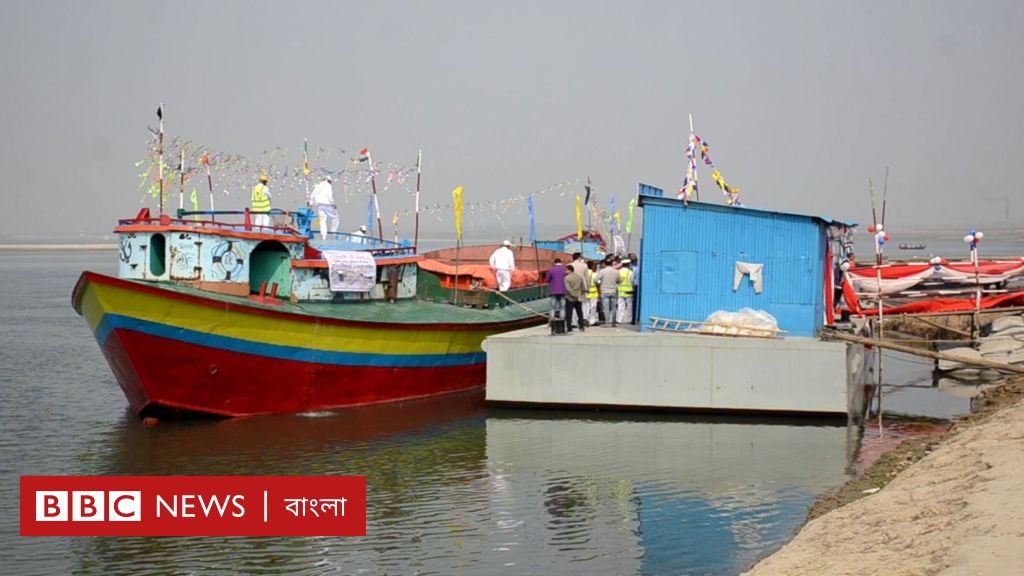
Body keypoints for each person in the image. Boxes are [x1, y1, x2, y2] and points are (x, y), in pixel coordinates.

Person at [309, 175, 339, 240]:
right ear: (329, 180)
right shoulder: (328, 186)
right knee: (335, 217)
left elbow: (313, 194)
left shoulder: (318, 185)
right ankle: (333, 232)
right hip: (327, 204)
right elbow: (329, 195)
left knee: (322, 220)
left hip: (319, 205)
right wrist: (333, 204)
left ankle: (323, 236)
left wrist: (311, 203)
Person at [545, 258, 567, 334]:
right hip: (563, 291)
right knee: (562, 308)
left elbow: (547, 279)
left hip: (553, 291)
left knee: (552, 308)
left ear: (555, 262)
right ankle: (562, 322)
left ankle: (551, 323)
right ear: (561, 262)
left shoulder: (551, 269)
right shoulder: (565, 269)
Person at [596, 257, 621, 326]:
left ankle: (607, 323)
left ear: (605, 264)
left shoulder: (602, 271)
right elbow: (619, 281)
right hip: (613, 291)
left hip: (604, 291)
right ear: (611, 263)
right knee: (614, 307)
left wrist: (599, 283)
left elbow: (595, 280)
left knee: (606, 307)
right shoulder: (616, 271)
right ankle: (613, 323)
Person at [564, 264, 585, 333]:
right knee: (579, 312)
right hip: (578, 297)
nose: (565, 271)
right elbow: (583, 287)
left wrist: (574, 295)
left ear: (569, 270)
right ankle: (581, 326)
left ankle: (569, 327)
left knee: (569, 313)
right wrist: (580, 295)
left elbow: (568, 289)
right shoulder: (579, 277)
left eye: (566, 270)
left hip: (570, 298)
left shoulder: (566, 278)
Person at [617, 258, 635, 325]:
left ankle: (619, 320)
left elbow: (617, 281)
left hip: (620, 291)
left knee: (620, 306)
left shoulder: (618, 271)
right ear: (628, 264)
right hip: (628, 291)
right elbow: (632, 281)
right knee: (629, 307)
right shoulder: (630, 272)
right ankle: (629, 319)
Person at [585, 261, 600, 326]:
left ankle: (586, 320)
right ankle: (592, 321)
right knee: (593, 307)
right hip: (593, 293)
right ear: (592, 266)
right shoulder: (594, 274)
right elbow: (598, 282)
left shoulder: (584, 274)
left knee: (586, 307)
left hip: (585, 292)